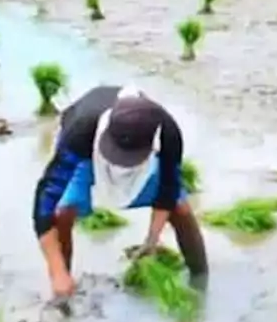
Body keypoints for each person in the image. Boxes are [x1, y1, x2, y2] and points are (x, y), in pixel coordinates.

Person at [31, 86, 207, 300]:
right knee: (63, 211)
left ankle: (201, 282)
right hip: (87, 152)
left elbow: (168, 191)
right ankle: (63, 289)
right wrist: (57, 271)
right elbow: (44, 202)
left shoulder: (168, 131)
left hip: (142, 155)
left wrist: (151, 241)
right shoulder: (80, 131)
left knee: (180, 208)